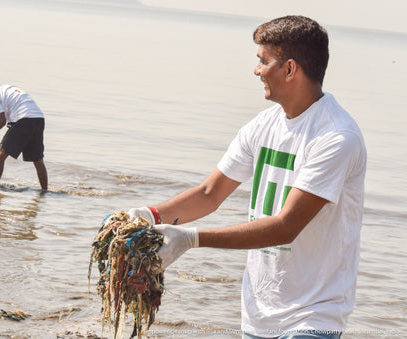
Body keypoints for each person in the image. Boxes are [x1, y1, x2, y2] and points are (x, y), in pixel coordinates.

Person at [128, 16, 367, 339]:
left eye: (263, 61)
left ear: (290, 69)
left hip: (314, 315)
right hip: (259, 314)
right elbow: (210, 193)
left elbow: (286, 227)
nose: (256, 71)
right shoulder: (263, 125)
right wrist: (150, 215)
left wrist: (191, 239)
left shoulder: (337, 137)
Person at [0, 74, 48, 190]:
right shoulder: (6, 88)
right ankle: (45, 191)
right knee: (38, 160)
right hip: (38, 119)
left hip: (24, 120)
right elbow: (10, 106)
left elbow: (1, 122)